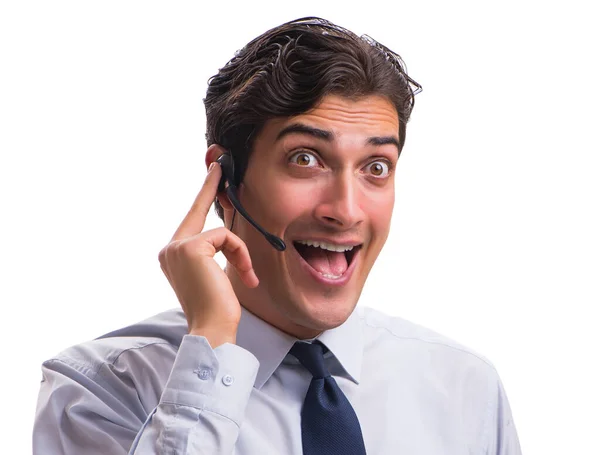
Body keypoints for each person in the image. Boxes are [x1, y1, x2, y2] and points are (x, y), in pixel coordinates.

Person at [33, 16, 521, 454]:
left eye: (376, 167)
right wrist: (212, 344)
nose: (346, 210)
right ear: (225, 182)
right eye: (305, 159)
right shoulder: (96, 391)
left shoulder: (465, 388)